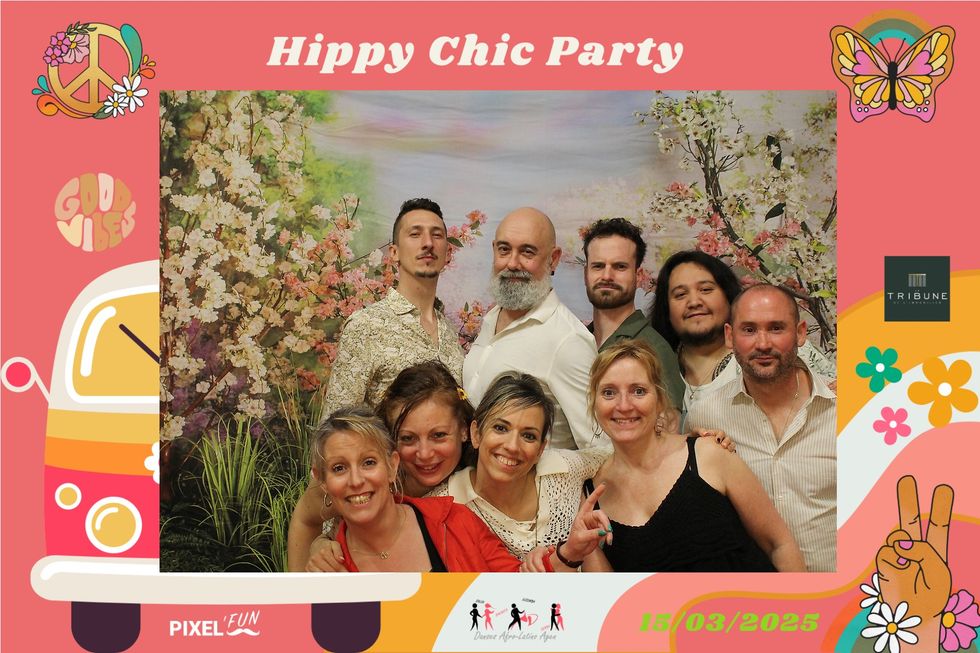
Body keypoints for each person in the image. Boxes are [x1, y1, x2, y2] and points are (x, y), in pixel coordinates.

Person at [580, 340, 806, 572]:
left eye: (638, 391)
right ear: (594, 403)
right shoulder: (590, 497)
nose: (624, 405)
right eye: (609, 392)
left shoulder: (709, 453)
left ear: (659, 400)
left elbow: (779, 545)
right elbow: (609, 592)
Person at [686, 284, 837, 572]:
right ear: (730, 337)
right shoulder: (705, 415)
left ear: (801, 333)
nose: (763, 343)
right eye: (749, 330)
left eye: (776, 328)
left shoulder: (845, 411)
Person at [291, 361, 471, 571]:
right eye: (408, 438)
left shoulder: (474, 481)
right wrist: (316, 553)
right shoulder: (360, 480)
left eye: (438, 435)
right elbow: (304, 520)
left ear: (465, 430)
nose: (425, 453)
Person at [310, 406, 522, 572]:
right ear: (322, 481)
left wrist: (543, 562)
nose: (356, 481)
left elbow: (523, 589)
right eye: (339, 468)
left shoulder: (456, 520)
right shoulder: (328, 568)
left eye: (369, 463)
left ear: (392, 466)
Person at [463, 207, 598, 450]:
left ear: (553, 259)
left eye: (527, 252)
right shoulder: (490, 319)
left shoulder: (569, 341)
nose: (513, 263)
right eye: (504, 250)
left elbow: (600, 449)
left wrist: (542, 471)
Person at [322, 198, 464, 417]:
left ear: (447, 253)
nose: (428, 243)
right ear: (394, 252)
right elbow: (336, 425)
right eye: (415, 234)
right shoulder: (365, 326)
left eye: (437, 235)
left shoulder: (451, 333)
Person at [648, 250, 835, 413]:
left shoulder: (785, 350)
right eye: (680, 294)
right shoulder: (653, 367)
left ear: (728, 296)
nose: (694, 302)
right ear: (666, 308)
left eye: (705, 289)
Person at [582, 218, 684, 409]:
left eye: (620, 266)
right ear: (585, 274)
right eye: (598, 266)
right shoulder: (578, 339)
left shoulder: (654, 349)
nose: (607, 276)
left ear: (638, 276)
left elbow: (670, 424)